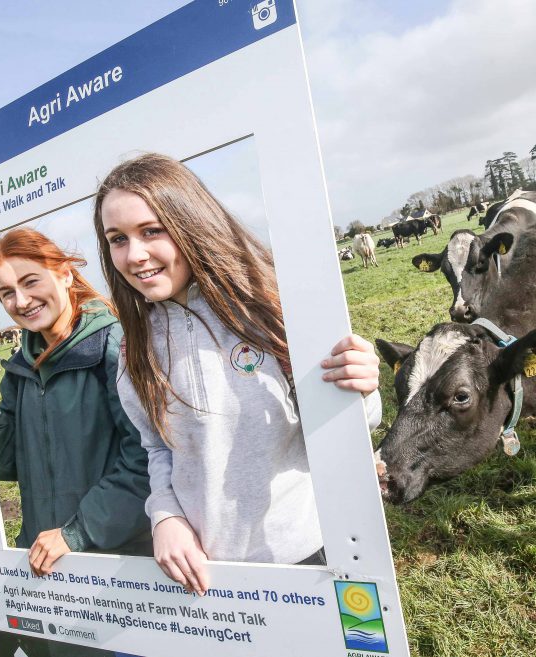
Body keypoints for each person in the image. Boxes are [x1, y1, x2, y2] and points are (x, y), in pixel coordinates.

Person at [93, 153, 382, 596]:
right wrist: (166, 516)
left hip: (307, 553)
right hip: (205, 575)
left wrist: (361, 387)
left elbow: (349, 426)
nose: (135, 255)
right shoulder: (133, 348)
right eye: (117, 239)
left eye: (152, 230)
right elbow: (157, 448)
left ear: (190, 221)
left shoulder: (272, 313)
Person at [0, 228, 152, 576]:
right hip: (46, 554)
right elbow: (10, 462)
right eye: (6, 293)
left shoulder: (115, 345)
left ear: (65, 274)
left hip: (119, 559)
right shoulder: (22, 366)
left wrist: (77, 533)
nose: (21, 301)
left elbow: (147, 458)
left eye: (31, 282)